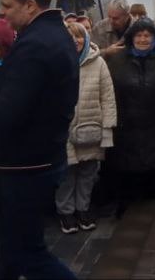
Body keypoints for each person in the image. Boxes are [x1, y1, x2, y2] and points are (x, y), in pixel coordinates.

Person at [0, 0, 79, 280]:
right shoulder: (52, 33)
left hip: (26, 165)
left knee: (27, 253)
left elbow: (8, 111)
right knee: (10, 249)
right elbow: (34, 83)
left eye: (7, 6)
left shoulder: (36, 44)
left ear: (30, 5)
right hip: (39, 158)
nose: (2, 13)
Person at [103, 19, 155, 211]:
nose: (143, 39)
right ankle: (126, 209)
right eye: (139, 35)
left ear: (154, 38)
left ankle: (151, 209)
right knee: (127, 168)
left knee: (153, 168)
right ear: (131, 37)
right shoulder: (118, 59)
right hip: (126, 124)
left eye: (147, 35)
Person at [56, 23, 116, 235]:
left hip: (91, 127)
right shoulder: (56, 61)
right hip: (64, 129)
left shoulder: (98, 63)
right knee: (66, 173)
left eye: (79, 36)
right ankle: (65, 211)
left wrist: (107, 128)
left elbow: (107, 97)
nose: (75, 40)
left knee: (88, 172)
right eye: (70, 36)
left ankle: (83, 208)